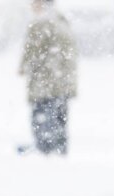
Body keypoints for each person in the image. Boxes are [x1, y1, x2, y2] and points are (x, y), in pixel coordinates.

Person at [19, 0, 78, 155]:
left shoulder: (41, 23)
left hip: (47, 83)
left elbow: (32, 50)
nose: (32, 6)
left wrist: (23, 66)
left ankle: (45, 152)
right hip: (62, 83)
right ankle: (59, 151)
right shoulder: (61, 20)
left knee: (43, 120)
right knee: (59, 120)